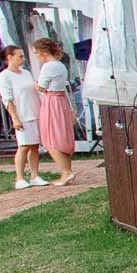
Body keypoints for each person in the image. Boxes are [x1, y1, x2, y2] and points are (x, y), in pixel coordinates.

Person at [0, 45, 45, 188]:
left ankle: (34, 175)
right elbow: (7, 99)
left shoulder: (26, 73)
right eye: (20, 56)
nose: (23, 59)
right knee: (24, 146)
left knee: (34, 146)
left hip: (34, 112)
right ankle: (19, 178)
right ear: (10, 57)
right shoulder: (4, 76)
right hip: (22, 114)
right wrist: (15, 118)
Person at [31, 37, 77, 186]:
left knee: (51, 137)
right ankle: (67, 170)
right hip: (61, 100)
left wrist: (35, 84)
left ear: (43, 52)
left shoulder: (48, 66)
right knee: (61, 135)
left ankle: (66, 172)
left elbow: (42, 86)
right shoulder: (60, 65)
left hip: (52, 101)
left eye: (37, 53)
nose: (36, 56)